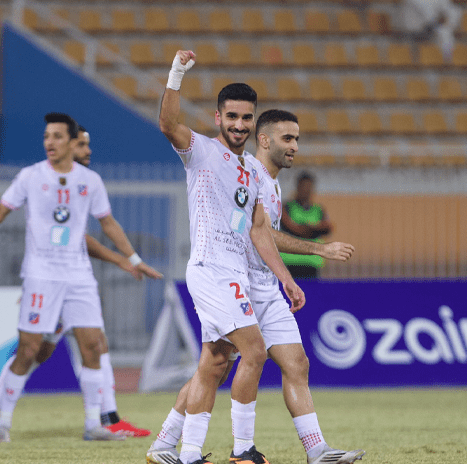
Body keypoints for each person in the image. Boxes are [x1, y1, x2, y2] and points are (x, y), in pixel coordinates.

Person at [147, 110, 365, 464]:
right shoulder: (247, 172)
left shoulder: (271, 180)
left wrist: (283, 279)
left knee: (296, 363)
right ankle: (182, 443)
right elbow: (262, 231)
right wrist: (317, 249)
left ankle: (316, 449)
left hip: (263, 286)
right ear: (265, 140)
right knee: (215, 365)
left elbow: (263, 234)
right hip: (236, 283)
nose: (295, 146)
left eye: (296, 139)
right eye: (288, 139)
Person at [0, 113, 145, 442]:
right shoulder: (30, 176)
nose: (49, 143)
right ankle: (1, 420)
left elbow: (108, 223)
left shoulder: (90, 181)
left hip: (78, 276)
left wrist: (132, 258)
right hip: (42, 275)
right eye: (46, 136)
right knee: (30, 350)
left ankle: (94, 423)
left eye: (57, 136)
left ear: (72, 142)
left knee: (93, 345)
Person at [154, 50, 304, 464]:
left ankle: (180, 452)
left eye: (246, 118)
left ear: (253, 123)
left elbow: (259, 231)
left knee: (215, 362)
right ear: (218, 118)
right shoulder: (200, 150)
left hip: (234, 273)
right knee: (254, 351)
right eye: (232, 117)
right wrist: (176, 75)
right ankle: (242, 451)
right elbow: (168, 123)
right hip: (211, 270)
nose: (239, 125)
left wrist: (284, 277)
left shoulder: (249, 171)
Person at [280, 172, 334, 279]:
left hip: (311, 264)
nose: (306, 190)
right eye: (304, 186)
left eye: (309, 187)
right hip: (290, 264)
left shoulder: (319, 210)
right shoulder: (287, 207)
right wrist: (313, 229)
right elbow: (293, 229)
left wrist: (305, 228)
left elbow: (328, 228)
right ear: (298, 187)